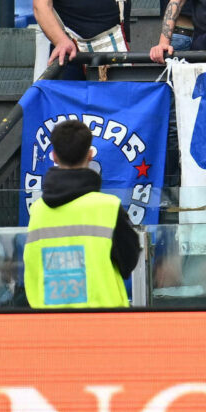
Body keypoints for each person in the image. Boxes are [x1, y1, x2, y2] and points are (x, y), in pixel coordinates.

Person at [21, 116, 140, 310]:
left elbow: (32, 267)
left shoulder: (38, 211)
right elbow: (129, 261)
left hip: (50, 326)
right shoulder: (108, 207)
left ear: (54, 157)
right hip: (104, 325)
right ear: (90, 155)